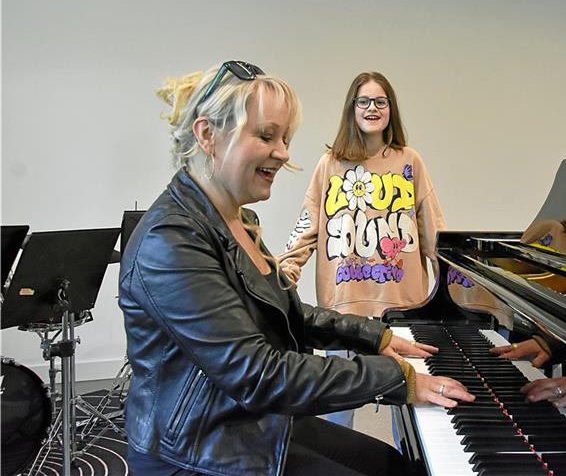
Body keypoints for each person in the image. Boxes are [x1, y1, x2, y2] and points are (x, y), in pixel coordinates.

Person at [119, 61, 474, 476]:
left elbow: (291, 314)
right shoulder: (172, 240)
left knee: (394, 466)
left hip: (250, 420)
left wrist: (376, 336)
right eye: (267, 136)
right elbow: (257, 371)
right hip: (200, 446)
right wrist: (397, 379)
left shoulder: (237, 219)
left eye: (285, 138)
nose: (285, 153)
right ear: (207, 135)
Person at [279, 71, 446, 428]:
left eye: (380, 101)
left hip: (402, 306)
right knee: (337, 408)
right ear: (352, 109)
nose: (372, 108)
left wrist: (457, 290)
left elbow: (434, 231)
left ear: (391, 109)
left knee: (415, 407)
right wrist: (280, 276)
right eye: (364, 101)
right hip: (344, 306)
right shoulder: (331, 163)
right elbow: (307, 225)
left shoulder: (409, 161)